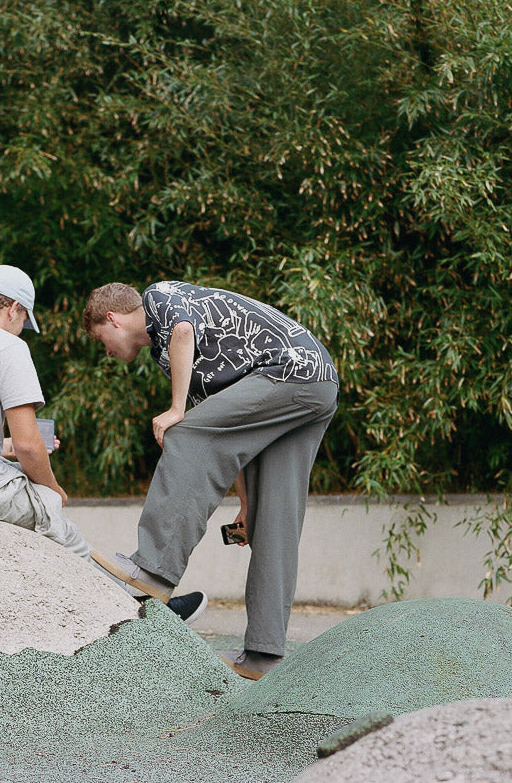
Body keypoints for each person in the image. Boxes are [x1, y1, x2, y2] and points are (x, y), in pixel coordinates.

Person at [0, 266, 208, 624]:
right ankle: (136, 607)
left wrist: (0, 448)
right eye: (24, 322)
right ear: (14, 308)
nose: (22, 331)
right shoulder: (6, 346)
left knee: (18, 479)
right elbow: (31, 445)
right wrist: (52, 488)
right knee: (49, 510)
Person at [84, 280, 339, 679]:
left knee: (183, 433)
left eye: (102, 340)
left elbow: (183, 333)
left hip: (287, 371)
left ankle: (153, 569)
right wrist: (245, 502)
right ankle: (263, 657)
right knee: (272, 519)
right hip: (315, 381)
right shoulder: (180, 360)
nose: (107, 351)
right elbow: (226, 440)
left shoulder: (159, 298)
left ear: (113, 319)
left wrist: (175, 409)